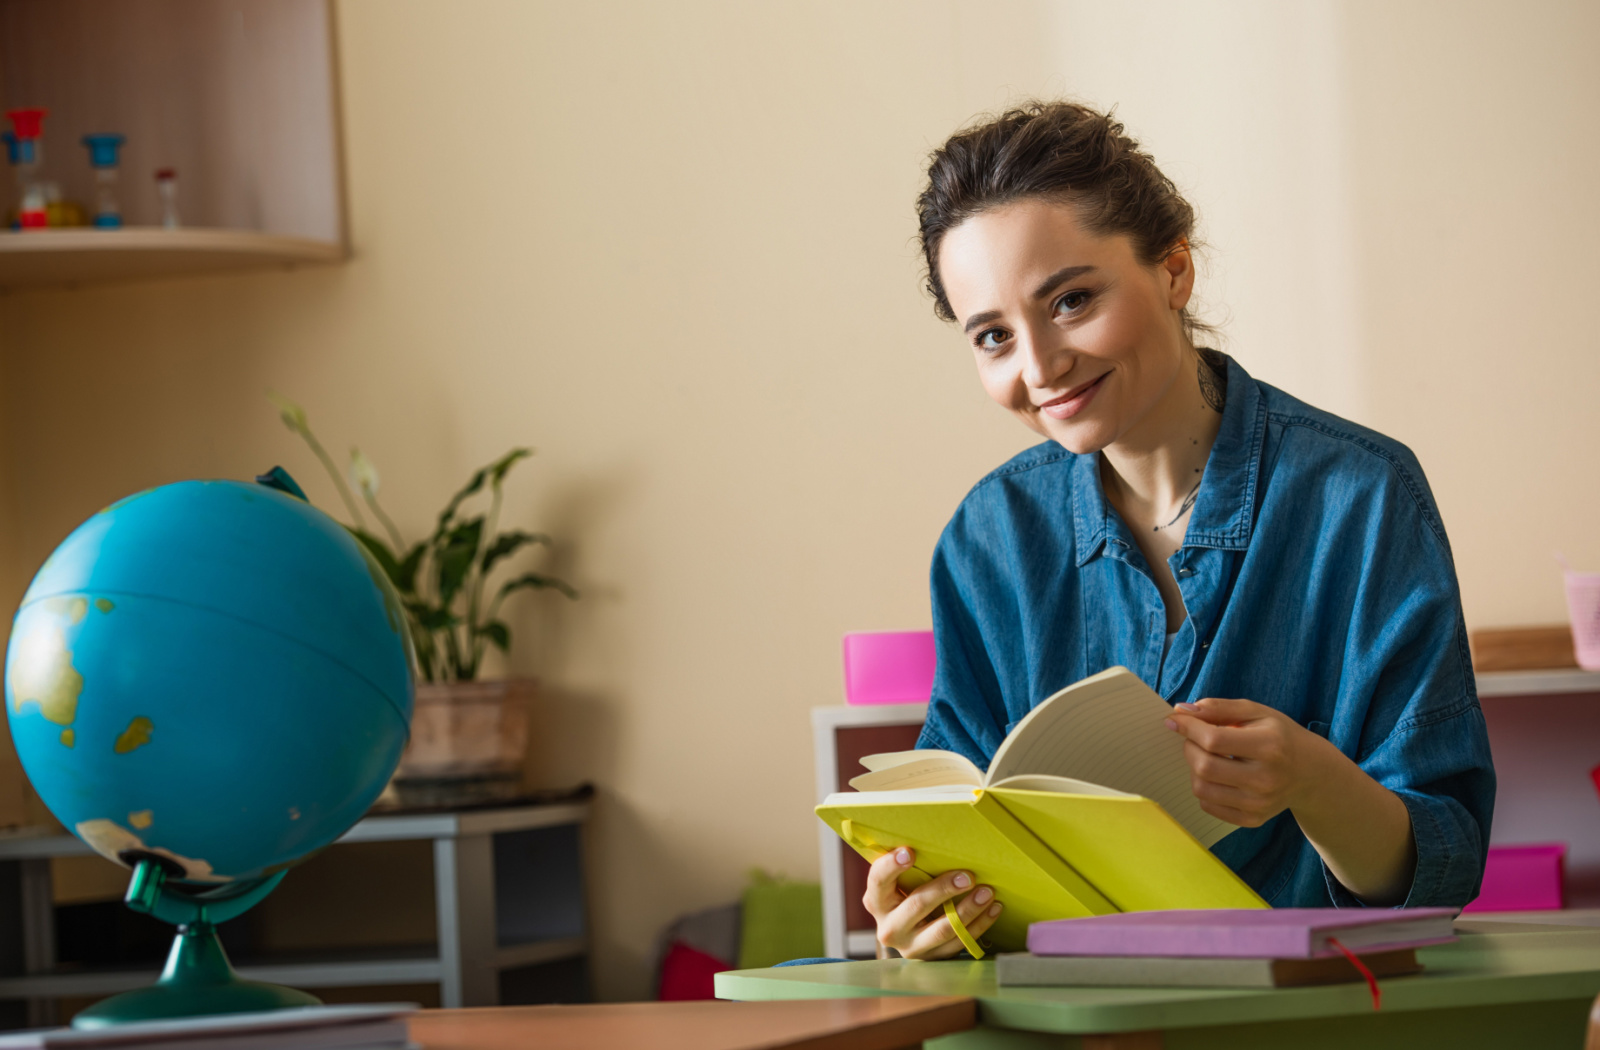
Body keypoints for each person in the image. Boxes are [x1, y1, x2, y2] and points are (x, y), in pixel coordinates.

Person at [864, 101, 1495, 961]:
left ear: (1173, 271)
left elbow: (1436, 879)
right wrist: (921, 907)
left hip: (1308, 1022)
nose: (1040, 367)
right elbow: (968, 826)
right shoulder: (988, 539)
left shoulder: (1360, 496)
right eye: (993, 337)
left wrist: (1311, 779)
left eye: (1072, 300)